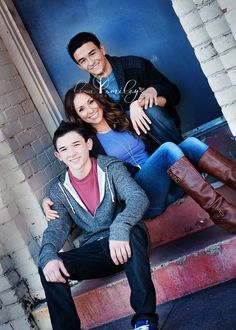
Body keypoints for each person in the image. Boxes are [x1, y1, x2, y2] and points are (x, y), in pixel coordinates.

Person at [43, 83, 236, 234]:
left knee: (191, 144)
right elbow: (77, 175)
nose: (90, 110)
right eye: (81, 109)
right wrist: (50, 199)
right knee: (168, 149)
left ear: (98, 99)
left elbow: (166, 96)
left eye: (91, 102)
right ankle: (224, 214)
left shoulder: (127, 119)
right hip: (146, 198)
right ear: (77, 117)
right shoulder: (90, 147)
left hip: (171, 184)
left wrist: (136, 104)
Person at [38, 121, 159, 330]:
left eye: (76, 145)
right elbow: (56, 229)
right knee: (48, 264)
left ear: (88, 144)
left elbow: (138, 198)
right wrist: (48, 255)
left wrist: (119, 227)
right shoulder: (59, 190)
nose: (72, 153)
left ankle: (144, 321)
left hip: (127, 243)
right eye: (64, 149)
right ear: (59, 156)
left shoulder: (110, 167)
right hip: (96, 252)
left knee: (133, 233)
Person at [67, 31, 183, 144]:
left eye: (92, 53)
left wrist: (151, 92)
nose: (91, 62)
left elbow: (175, 94)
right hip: (134, 142)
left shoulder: (135, 65)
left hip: (163, 133)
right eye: (83, 60)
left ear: (102, 49)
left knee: (150, 111)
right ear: (79, 66)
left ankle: (182, 156)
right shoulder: (90, 93)